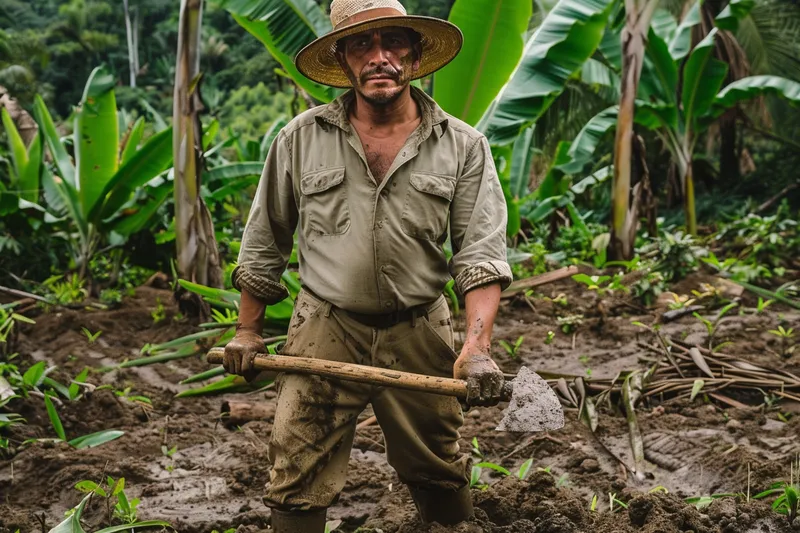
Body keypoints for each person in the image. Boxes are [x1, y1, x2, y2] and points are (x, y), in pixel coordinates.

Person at [223, 1, 512, 531]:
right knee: (296, 469)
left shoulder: (464, 146)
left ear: (416, 53)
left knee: (438, 465)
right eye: (361, 45)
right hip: (325, 325)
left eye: (393, 42)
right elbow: (265, 239)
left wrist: (475, 349)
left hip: (420, 328)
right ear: (343, 57)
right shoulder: (301, 138)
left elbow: (480, 253)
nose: (379, 57)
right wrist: (247, 331)